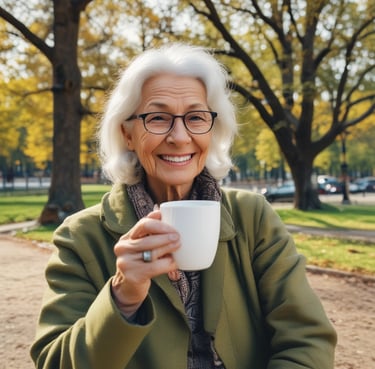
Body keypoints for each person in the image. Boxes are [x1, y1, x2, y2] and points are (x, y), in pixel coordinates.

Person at [31, 43, 336, 369]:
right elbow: (54, 362)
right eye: (158, 117)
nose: (180, 136)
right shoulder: (81, 237)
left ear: (213, 129)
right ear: (127, 134)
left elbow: (307, 338)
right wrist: (123, 296)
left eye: (195, 117)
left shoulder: (253, 217)